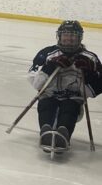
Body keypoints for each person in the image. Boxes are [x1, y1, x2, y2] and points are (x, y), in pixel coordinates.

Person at [28, 20, 101, 152]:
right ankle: (46, 133)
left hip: (73, 99)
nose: (69, 39)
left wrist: (89, 74)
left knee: (70, 107)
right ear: (59, 36)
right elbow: (36, 83)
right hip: (49, 95)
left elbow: (91, 92)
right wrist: (49, 68)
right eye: (66, 35)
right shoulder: (46, 54)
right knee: (46, 104)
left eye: (72, 35)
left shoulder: (90, 58)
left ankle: (63, 135)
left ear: (79, 38)